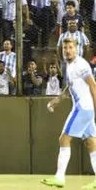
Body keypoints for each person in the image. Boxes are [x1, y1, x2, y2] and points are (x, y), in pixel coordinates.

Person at [42, 36, 96, 188]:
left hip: (83, 108)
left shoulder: (81, 64)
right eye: (65, 48)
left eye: (70, 47)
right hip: (86, 109)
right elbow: (69, 88)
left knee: (64, 139)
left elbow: (93, 86)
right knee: (92, 143)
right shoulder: (68, 65)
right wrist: (56, 100)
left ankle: (59, 178)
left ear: (76, 49)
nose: (67, 50)